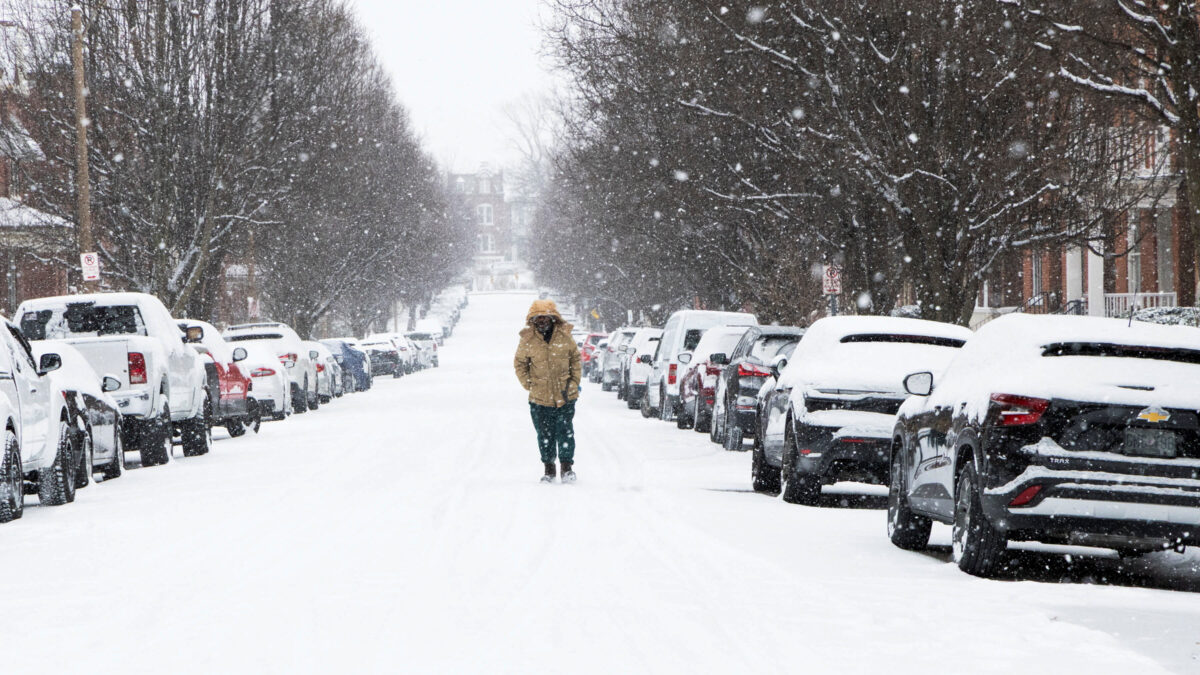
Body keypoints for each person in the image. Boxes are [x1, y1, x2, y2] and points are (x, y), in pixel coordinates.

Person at [513, 299, 581, 483]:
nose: (542, 321)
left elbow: (575, 359)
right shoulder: (527, 340)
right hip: (539, 399)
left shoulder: (565, 336)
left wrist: (573, 383)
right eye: (538, 318)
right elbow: (520, 363)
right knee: (544, 434)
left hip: (566, 396)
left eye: (545, 317)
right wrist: (529, 384)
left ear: (552, 319)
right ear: (533, 320)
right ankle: (549, 470)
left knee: (565, 431)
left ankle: (567, 469)